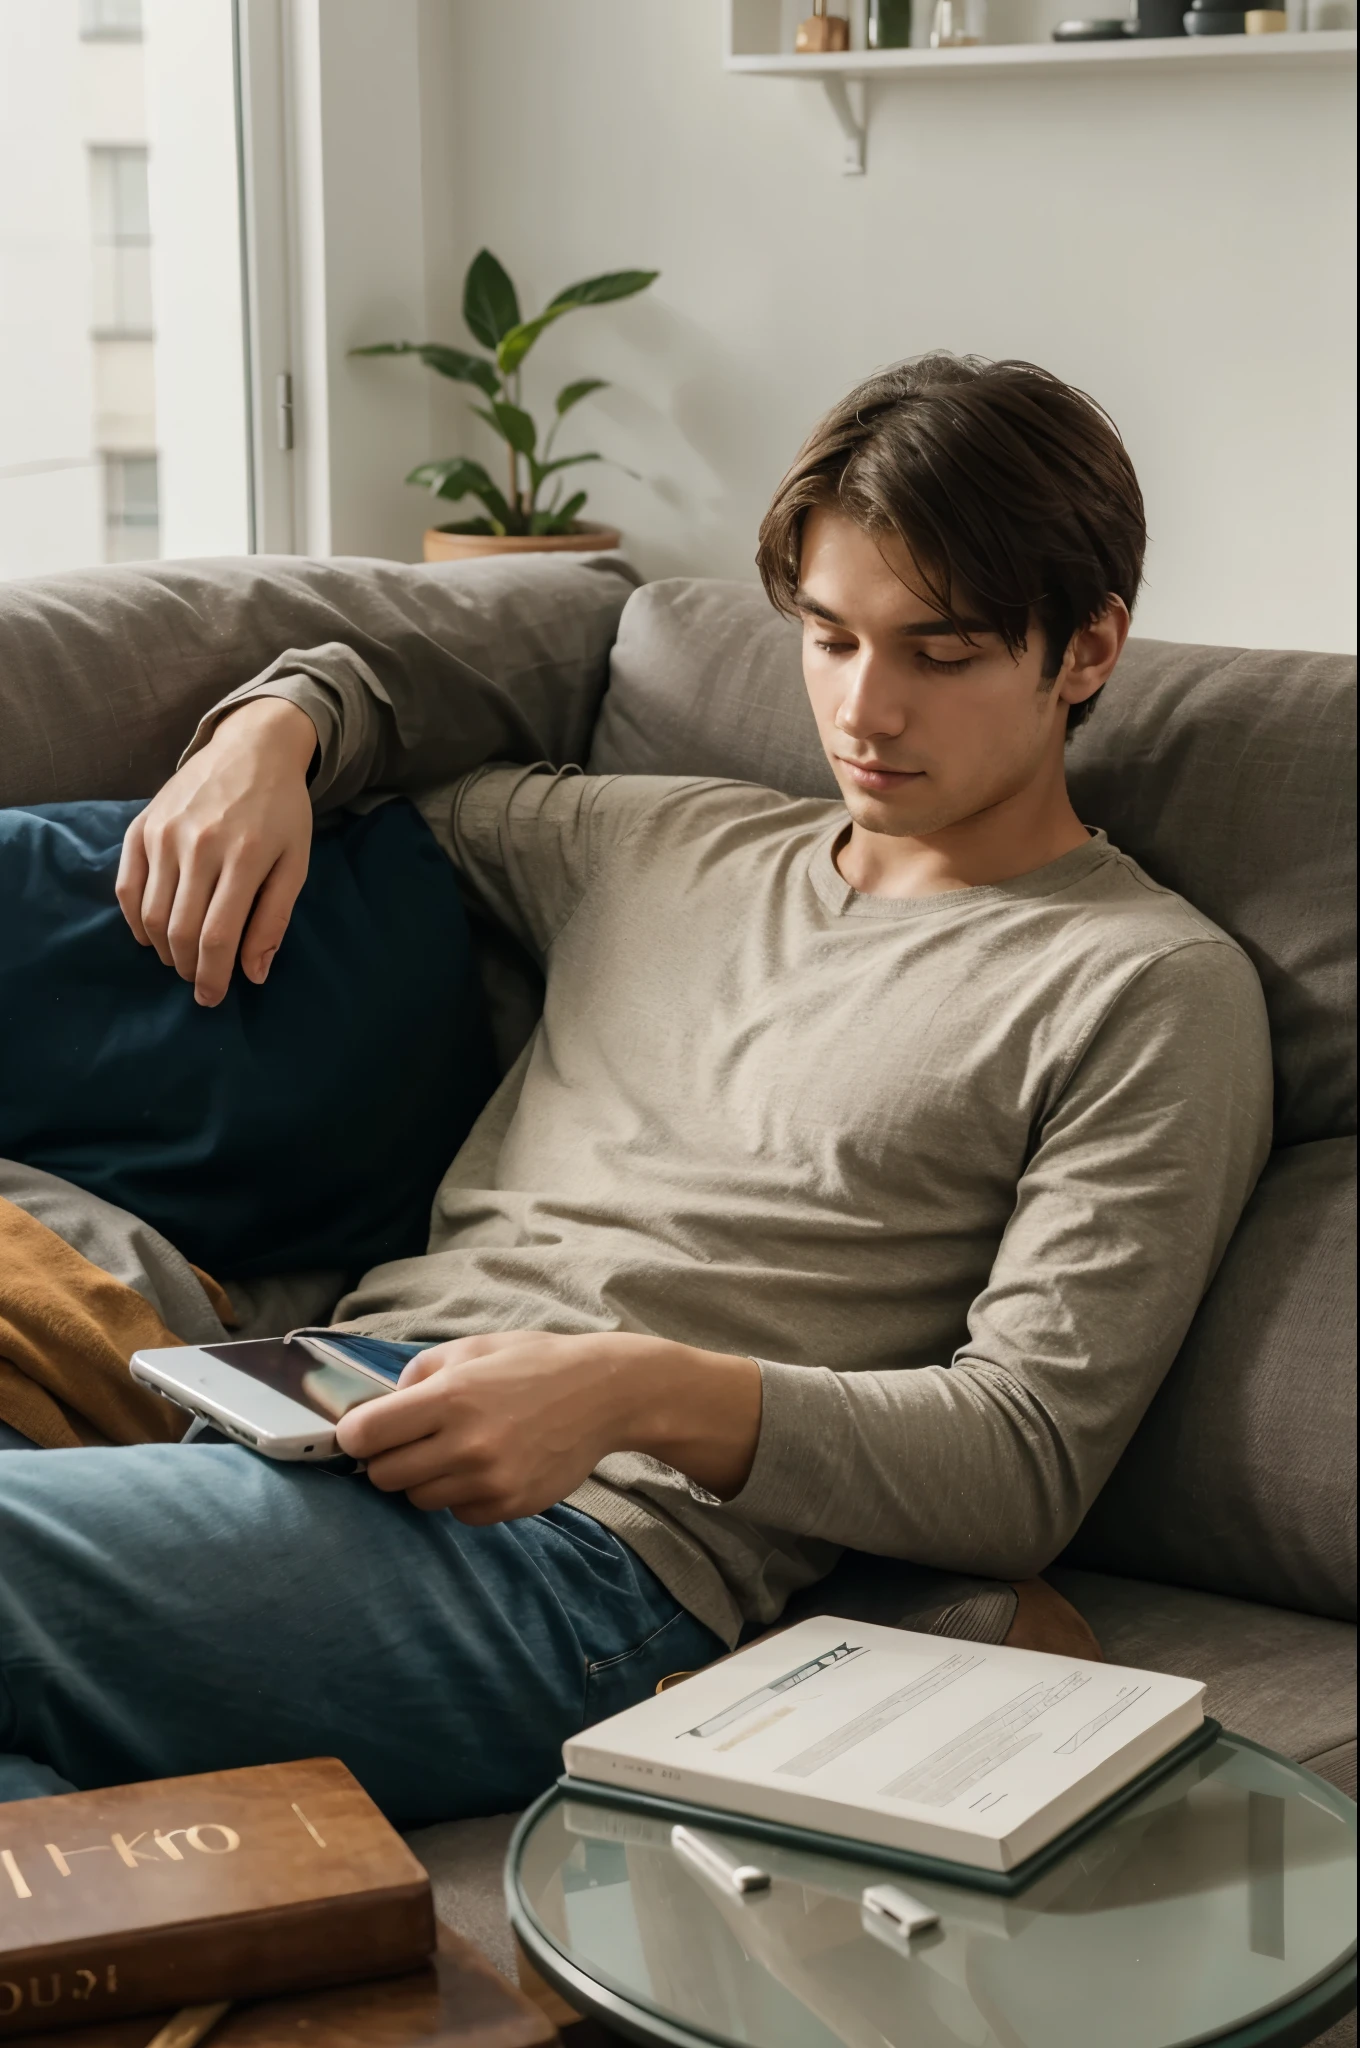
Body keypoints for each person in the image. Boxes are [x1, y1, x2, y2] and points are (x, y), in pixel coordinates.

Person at [0, 355, 1271, 1816]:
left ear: (1088, 650)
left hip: (593, 1565)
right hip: (299, 1424)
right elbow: (408, 738)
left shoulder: (1149, 989)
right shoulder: (665, 844)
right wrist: (272, 729)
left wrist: (632, 1392)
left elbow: (1027, 1455)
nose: (868, 712)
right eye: (831, 635)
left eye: (944, 652)